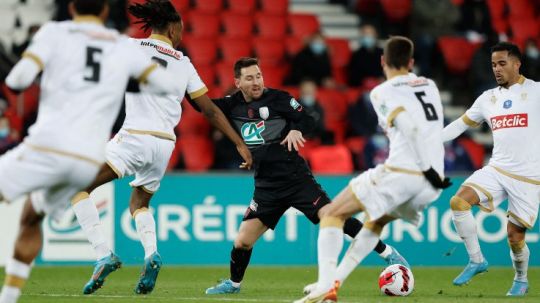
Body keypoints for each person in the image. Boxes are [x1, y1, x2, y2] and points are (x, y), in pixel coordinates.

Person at [0, 0, 193, 302]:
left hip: (48, 143)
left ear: (72, 7)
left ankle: (103, 254)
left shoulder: (54, 33)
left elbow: (17, 80)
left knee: (53, 205)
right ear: (105, 12)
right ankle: (9, 297)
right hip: (92, 150)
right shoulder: (121, 46)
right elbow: (160, 84)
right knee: (34, 216)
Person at [69, 0, 252, 296]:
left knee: (77, 188)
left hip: (134, 136)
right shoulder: (183, 62)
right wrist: (239, 143)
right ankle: (151, 254)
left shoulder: (131, 47)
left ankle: (103, 254)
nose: (181, 33)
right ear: (171, 26)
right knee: (139, 204)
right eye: (179, 27)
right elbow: (210, 111)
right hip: (165, 144)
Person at [202, 57, 409, 295]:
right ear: (237, 82)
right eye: (249, 78)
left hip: (296, 179)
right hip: (266, 186)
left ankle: (389, 253)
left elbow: (309, 118)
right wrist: (184, 83)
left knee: (335, 217)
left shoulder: (279, 99)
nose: (256, 81)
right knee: (242, 241)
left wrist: (297, 129)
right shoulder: (231, 105)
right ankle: (234, 284)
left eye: (258, 75)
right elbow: (203, 105)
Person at [294, 36, 451, 303]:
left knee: (332, 214)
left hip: (407, 173)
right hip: (429, 187)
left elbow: (409, 127)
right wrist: (433, 173)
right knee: (375, 223)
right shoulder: (431, 85)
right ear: (411, 62)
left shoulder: (382, 91)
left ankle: (323, 286)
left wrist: (426, 169)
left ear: (382, 61)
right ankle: (333, 285)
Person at [442, 42, 539, 296]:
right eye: (493, 64)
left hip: (529, 177)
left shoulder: (537, 91)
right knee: (459, 202)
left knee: (515, 237)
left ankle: (520, 279)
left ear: (517, 64)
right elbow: (460, 125)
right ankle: (476, 260)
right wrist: (431, 142)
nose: (497, 69)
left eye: (502, 63)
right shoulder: (488, 98)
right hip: (497, 168)